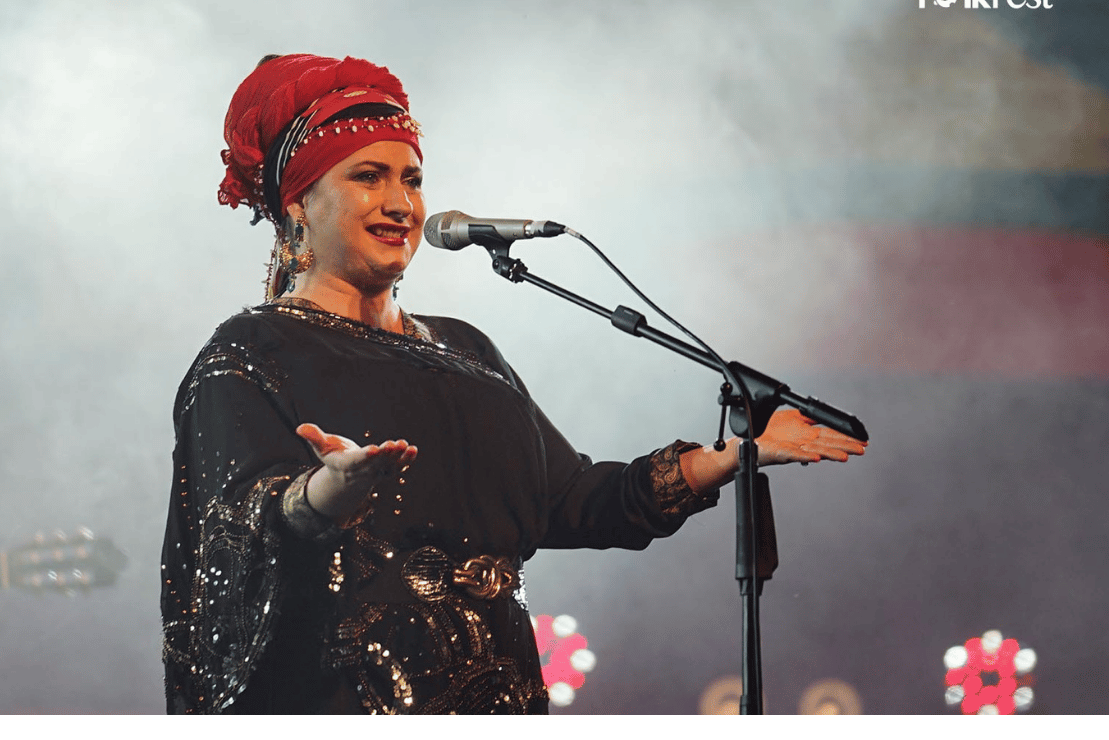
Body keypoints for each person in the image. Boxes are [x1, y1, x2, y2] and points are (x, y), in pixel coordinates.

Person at [160, 54, 867, 714]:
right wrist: (321, 495)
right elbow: (226, 538)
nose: (401, 202)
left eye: (412, 179)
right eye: (368, 176)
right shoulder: (251, 350)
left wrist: (734, 455)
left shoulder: (464, 349)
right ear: (298, 204)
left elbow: (574, 500)